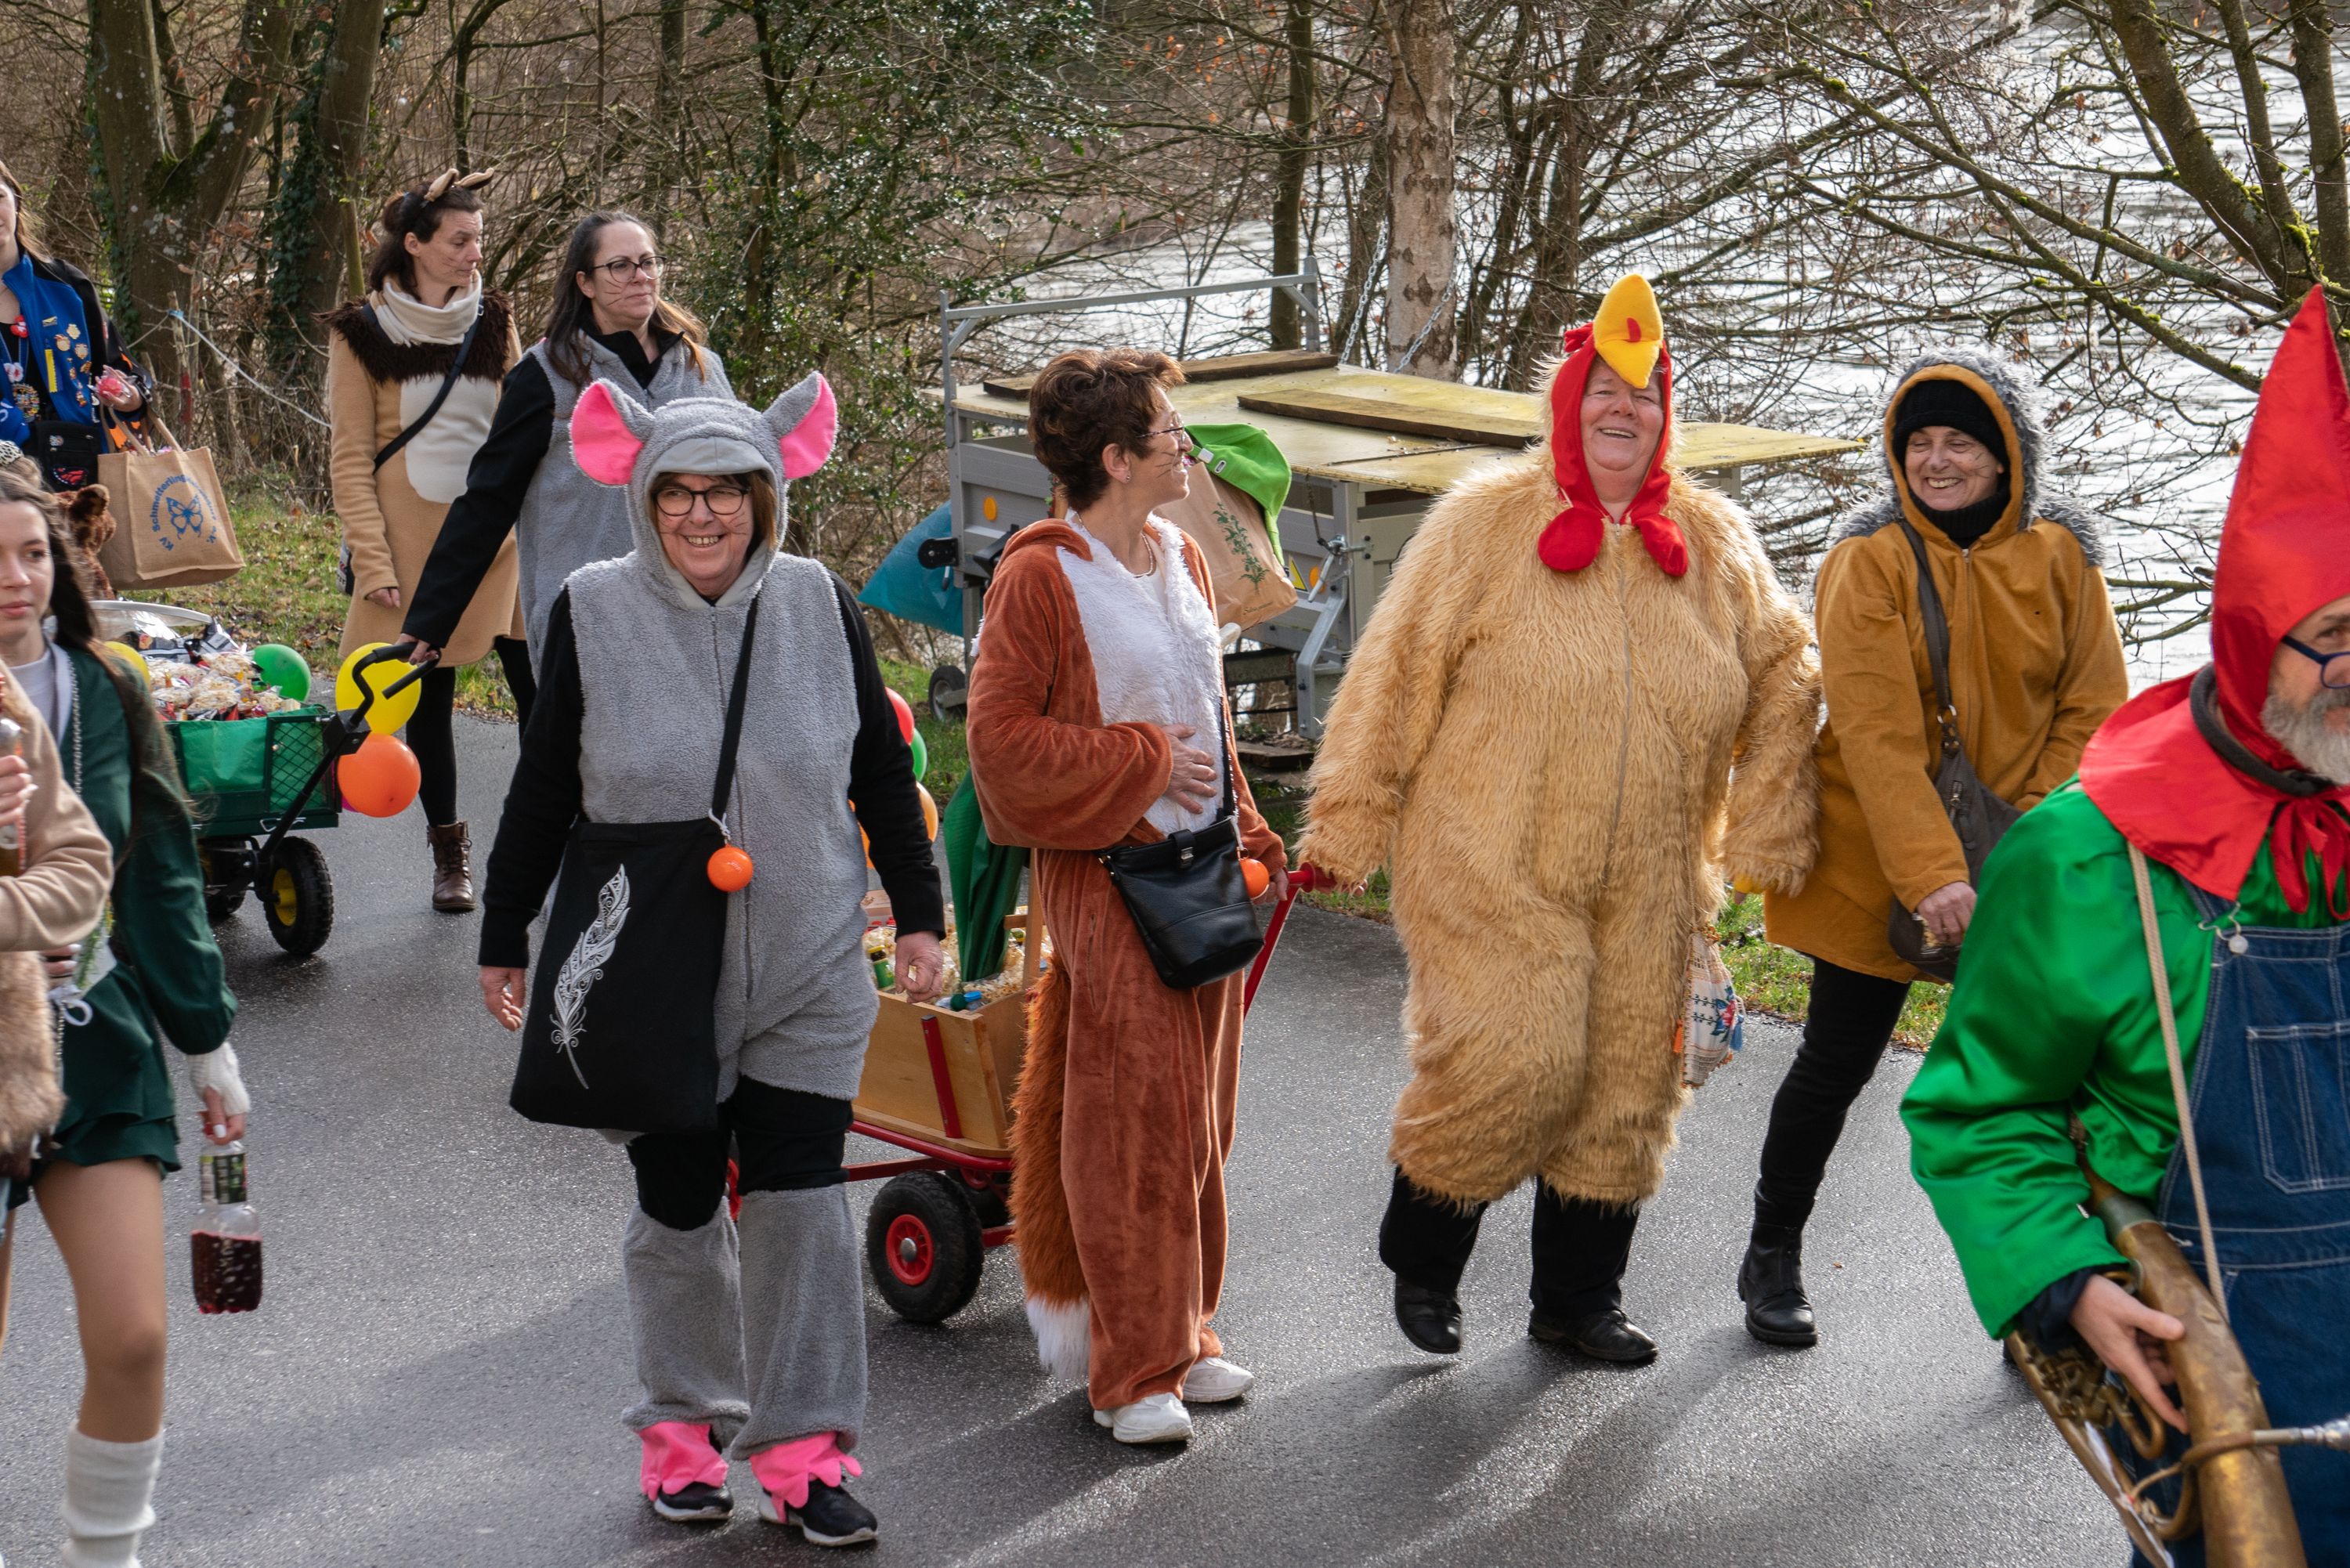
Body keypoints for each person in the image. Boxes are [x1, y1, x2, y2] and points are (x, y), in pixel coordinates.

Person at [1297, 273, 1822, 1365]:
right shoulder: (1481, 524)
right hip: (1490, 856)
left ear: (1667, 412)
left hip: (1656, 872)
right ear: (1567, 403)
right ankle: (1425, 1252)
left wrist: (1772, 823)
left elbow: (1788, 670)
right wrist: (1347, 818)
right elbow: (1393, 675)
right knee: (1513, 1062)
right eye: (1605, 392)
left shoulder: (1716, 537)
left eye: (1646, 394)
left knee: (1626, 1089)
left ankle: (1579, 1300)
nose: (1625, 411)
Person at [1903, 287, 2350, 1563]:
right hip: (2232, 1380)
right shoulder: (2090, 859)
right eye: (2337, 639)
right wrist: (2065, 1281)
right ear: (2259, 632)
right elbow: (1981, 1113)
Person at [476, 377, 943, 1545]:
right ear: (639, 494)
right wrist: (503, 931)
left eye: (725, 492)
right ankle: (682, 1431)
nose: (700, 514)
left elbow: (881, 777)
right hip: (649, 968)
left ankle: (803, 1450)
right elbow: (542, 788)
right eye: (676, 491)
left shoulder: (820, 605)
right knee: (680, 1205)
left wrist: (924, 916)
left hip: (810, 957)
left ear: (766, 496)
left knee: (798, 1205)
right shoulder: (590, 609)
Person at [1744, 350, 2128, 1348]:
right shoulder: (1866, 556)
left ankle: (2045, 1283)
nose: (1938, 460)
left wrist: (2028, 849)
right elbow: (1875, 735)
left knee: (2037, 1081)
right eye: (1920, 442)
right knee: (1837, 1061)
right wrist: (1937, 878)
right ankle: (1773, 1251)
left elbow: (2095, 710)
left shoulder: (2062, 553)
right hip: (1883, 854)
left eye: (1962, 440)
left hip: (2025, 859)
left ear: (2007, 454)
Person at [964, 347, 1290, 1446]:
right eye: (1169, 435)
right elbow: (1001, 749)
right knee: (1131, 1122)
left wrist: (1243, 814)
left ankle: (1183, 1333)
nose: (1185, 449)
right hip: (1108, 881)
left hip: (1199, 871)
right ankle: (1126, 1369)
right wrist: (1143, 761)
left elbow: (1207, 710)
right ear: (1116, 458)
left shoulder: (1181, 558)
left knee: (1200, 1113)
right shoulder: (1037, 577)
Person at [0, 468, 246, 1568]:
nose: (14, 582)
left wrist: (207, 1041)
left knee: (137, 1337)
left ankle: (106, 1559)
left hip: (96, 1045)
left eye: (32, 555)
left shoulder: (103, 684)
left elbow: (155, 870)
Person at [400, 209, 729, 677]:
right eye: (620, 266)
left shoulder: (702, 370)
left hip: (695, 615)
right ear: (585, 283)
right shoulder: (546, 376)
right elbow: (488, 501)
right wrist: (430, 620)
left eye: (648, 262)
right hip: (585, 620)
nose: (640, 277)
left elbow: (745, 490)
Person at [323, 171, 529, 913]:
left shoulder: (494, 321)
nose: (476, 253)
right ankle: (450, 854)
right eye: (460, 240)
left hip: (502, 542)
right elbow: (350, 459)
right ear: (413, 245)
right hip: (417, 554)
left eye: (479, 239)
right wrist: (373, 560)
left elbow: (522, 425)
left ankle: (563, 837)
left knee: (543, 688)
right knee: (428, 703)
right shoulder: (364, 334)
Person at [0, 161, 151, 489]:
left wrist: (130, 398)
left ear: (16, 202)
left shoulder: (67, 285)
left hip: (76, 474)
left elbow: (119, 368)